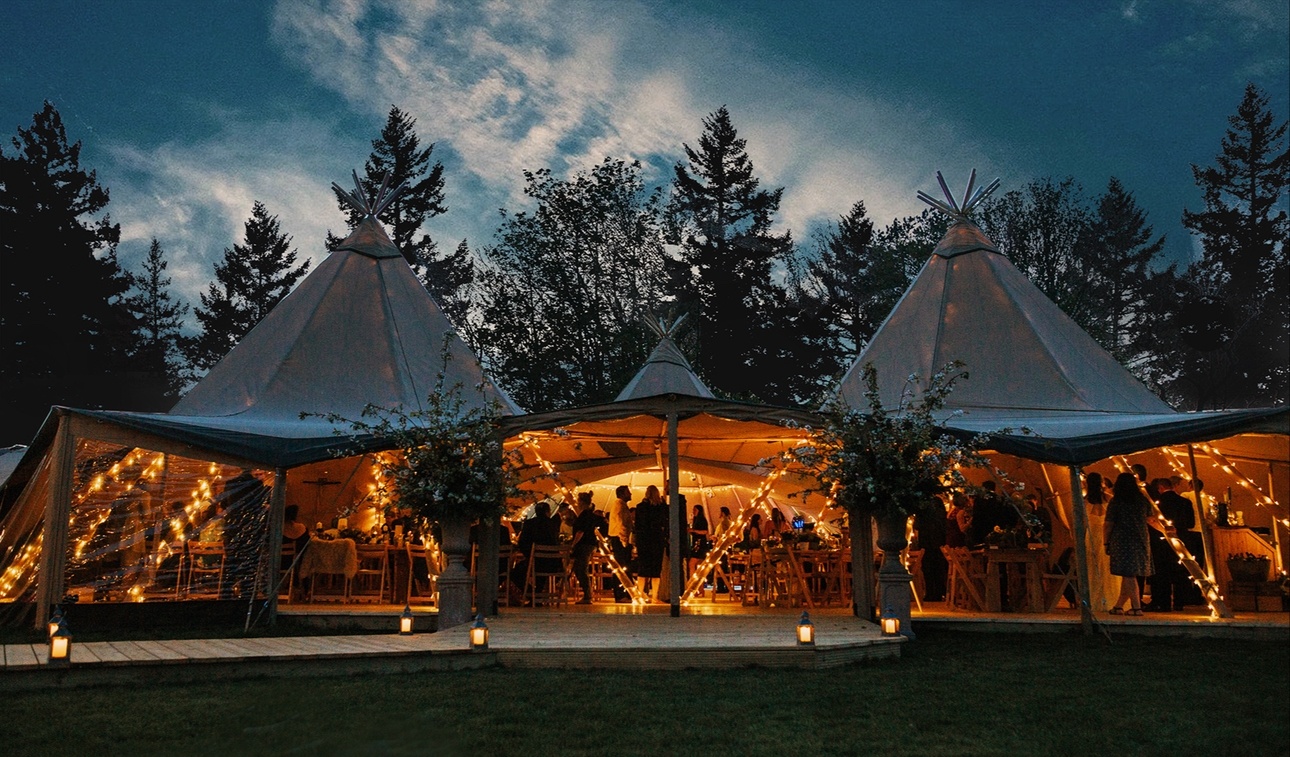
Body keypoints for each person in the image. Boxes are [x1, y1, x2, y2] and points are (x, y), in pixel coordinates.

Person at [1105, 472, 1163, 615]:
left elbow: (1108, 523)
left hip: (1122, 539)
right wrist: (1164, 530)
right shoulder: (1142, 500)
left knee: (1128, 573)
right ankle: (1119, 606)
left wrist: (1106, 542)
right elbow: (1151, 519)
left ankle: (1137, 608)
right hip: (1141, 538)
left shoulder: (1116, 501)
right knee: (1129, 574)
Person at [1146, 478, 1194, 611]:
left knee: (1161, 574)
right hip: (1181, 541)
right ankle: (1179, 602)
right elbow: (1191, 523)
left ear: (1160, 487)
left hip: (1160, 543)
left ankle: (1162, 603)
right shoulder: (1185, 502)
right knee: (1180, 572)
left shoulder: (1157, 505)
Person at [1082, 471, 1116, 612]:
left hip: (1091, 536)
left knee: (1093, 569)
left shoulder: (1084, 501)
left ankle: (1094, 601)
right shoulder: (1110, 499)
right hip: (1107, 536)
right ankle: (1111, 600)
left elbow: (1082, 522)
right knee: (1108, 570)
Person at [632, 485, 667, 596]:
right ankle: (655, 596)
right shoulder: (661, 507)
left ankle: (640, 593)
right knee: (656, 569)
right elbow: (664, 522)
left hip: (643, 540)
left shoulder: (640, 507)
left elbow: (637, 526)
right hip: (657, 540)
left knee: (643, 568)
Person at [570, 492, 601, 604]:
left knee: (581, 569)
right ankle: (587, 594)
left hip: (585, 544)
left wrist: (573, 544)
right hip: (590, 544)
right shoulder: (589, 514)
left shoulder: (584, 515)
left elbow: (580, 531)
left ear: (582, 502)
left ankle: (588, 595)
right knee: (580, 569)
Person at [915, 501, 948, 602]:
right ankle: (940, 592)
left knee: (928, 570)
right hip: (939, 545)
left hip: (926, 544)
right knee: (939, 569)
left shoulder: (922, 514)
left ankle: (930, 593)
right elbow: (944, 529)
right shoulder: (941, 514)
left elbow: (917, 526)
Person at [607, 485, 633, 602]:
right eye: (628, 492)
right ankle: (621, 595)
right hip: (619, 539)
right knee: (622, 566)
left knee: (622, 566)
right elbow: (621, 523)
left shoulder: (620, 505)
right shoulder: (620, 505)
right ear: (622, 494)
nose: (631, 494)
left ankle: (624, 594)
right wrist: (624, 540)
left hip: (618, 538)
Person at [688, 503, 710, 578]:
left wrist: (694, 531)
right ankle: (698, 584)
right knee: (697, 565)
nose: (693, 511)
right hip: (696, 544)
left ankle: (693, 582)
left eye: (695, 510)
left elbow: (705, 531)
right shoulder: (695, 520)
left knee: (692, 563)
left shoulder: (702, 520)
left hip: (700, 544)